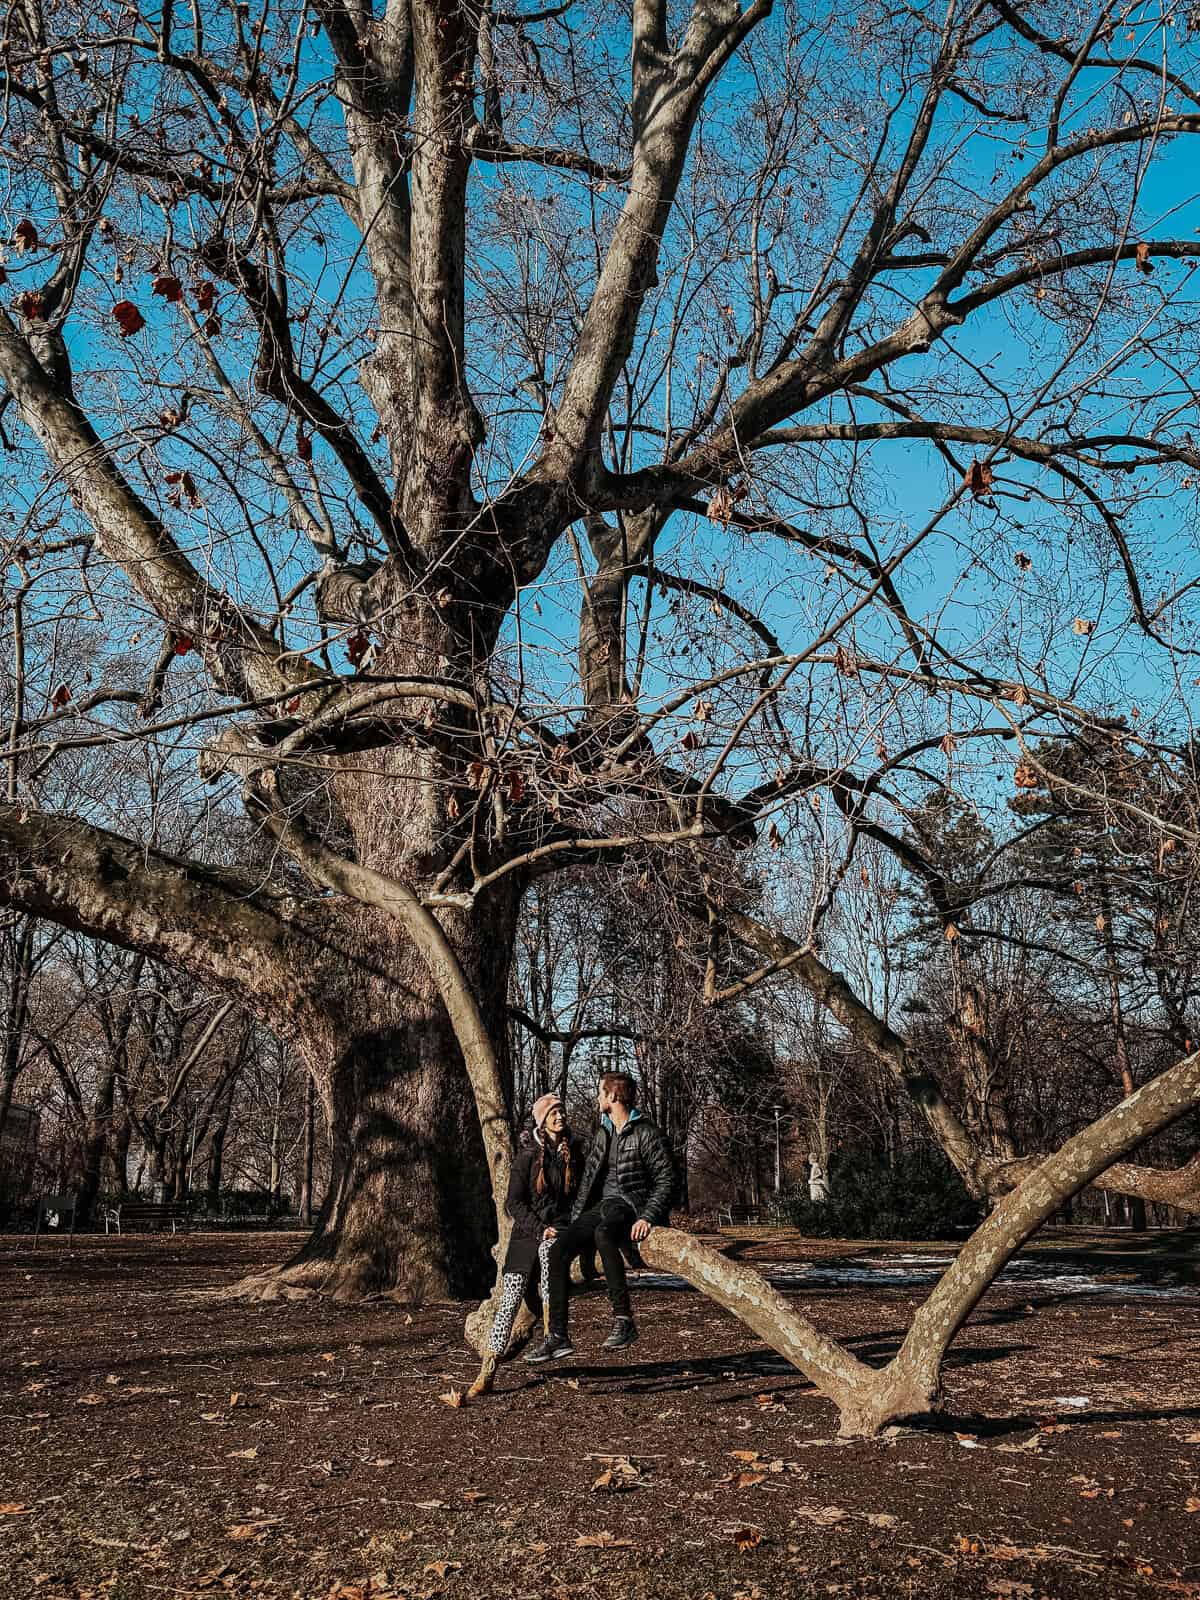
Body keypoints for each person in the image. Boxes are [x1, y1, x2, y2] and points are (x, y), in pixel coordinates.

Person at [526, 1071, 675, 1362]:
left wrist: (647, 1216)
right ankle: (557, 1336)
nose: (597, 1097)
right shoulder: (604, 1131)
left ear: (613, 1096)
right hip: (604, 1206)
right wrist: (573, 1223)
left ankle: (624, 1319)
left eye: (600, 1093)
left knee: (604, 1234)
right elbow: (588, 1182)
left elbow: (667, 1180)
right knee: (557, 1251)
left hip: (630, 1205)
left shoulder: (646, 1132)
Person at [467, 1092, 581, 1399]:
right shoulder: (526, 1157)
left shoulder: (574, 1153)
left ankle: (551, 1338)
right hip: (524, 1239)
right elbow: (512, 1204)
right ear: (542, 1121)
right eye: (553, 1113)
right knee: (509, 1300)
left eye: (562, 1111)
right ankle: (487, 1371)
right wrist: (539, 1228)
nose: (560, 1116)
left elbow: (576, 1199)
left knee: (550, 1266)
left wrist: (562, 1228)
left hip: (556, 1234)